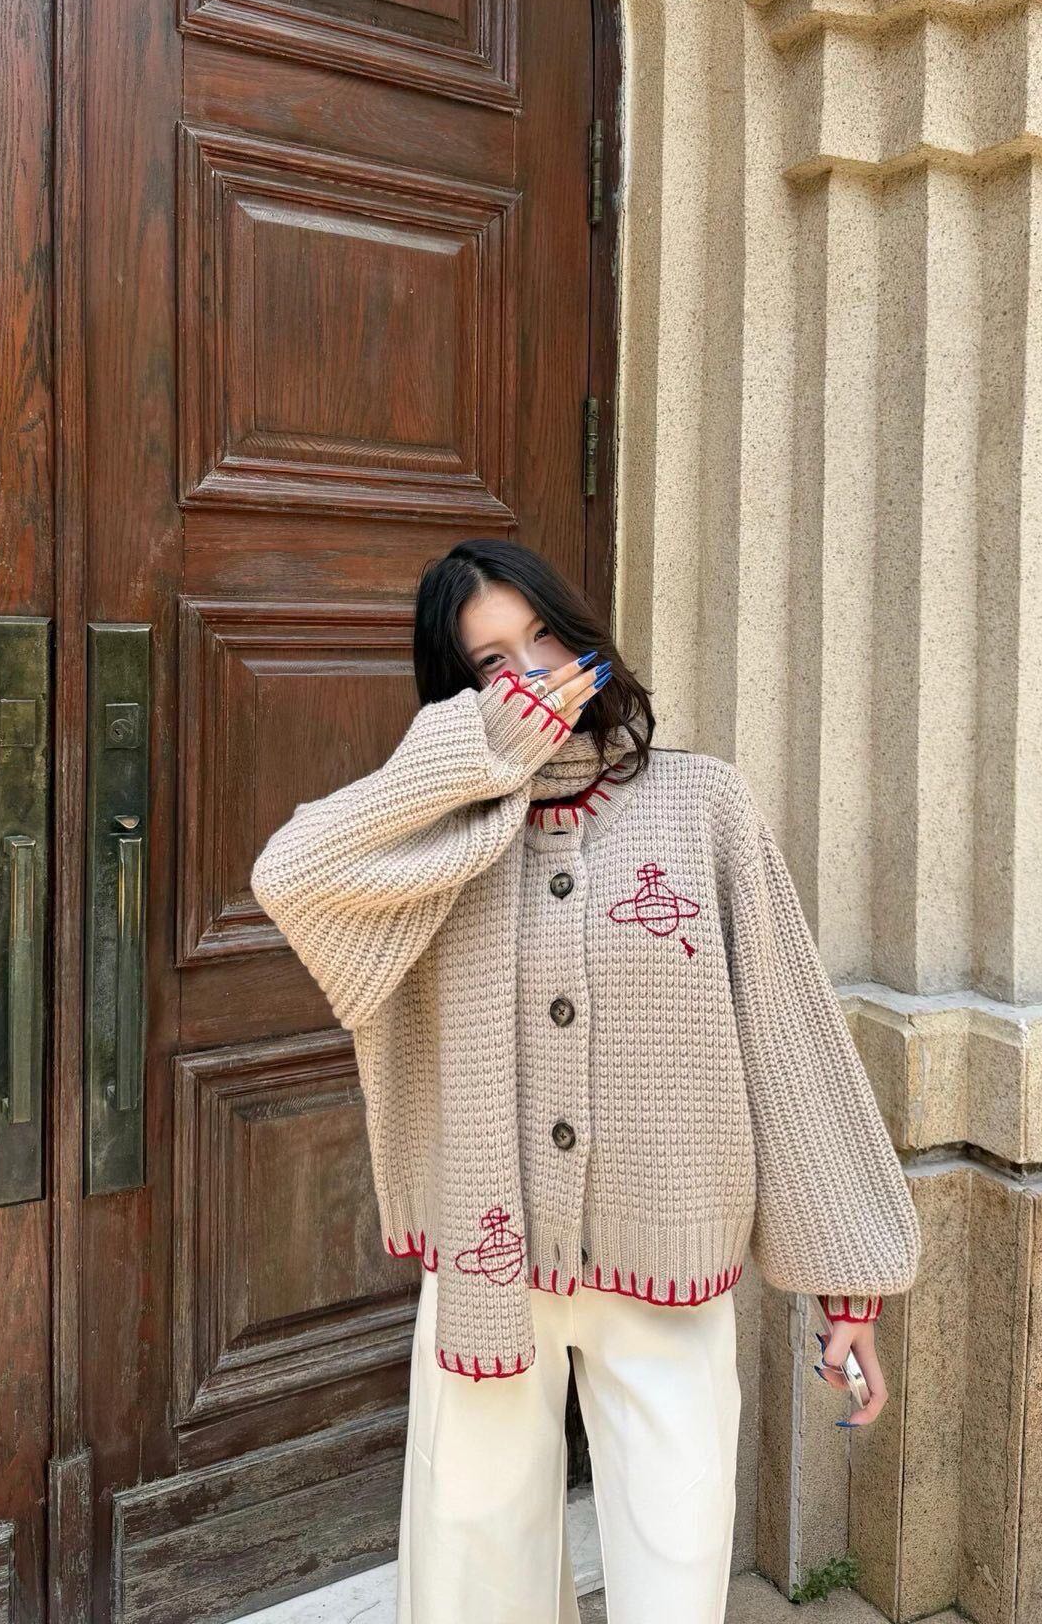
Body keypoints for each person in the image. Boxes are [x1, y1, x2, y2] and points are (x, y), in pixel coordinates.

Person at [250, 536, 921, 1624]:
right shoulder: (434, 838)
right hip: (487, 1265)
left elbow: (789, 1039)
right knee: (474, 1581)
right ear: (459, 694)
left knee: (675, 1574)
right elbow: (290, 875)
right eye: (491, 664)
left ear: (584, 636)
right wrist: (471, 761)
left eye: (544, 638)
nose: (532, 674)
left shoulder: (703, 805)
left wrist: (849, 1281)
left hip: (668, 1261)